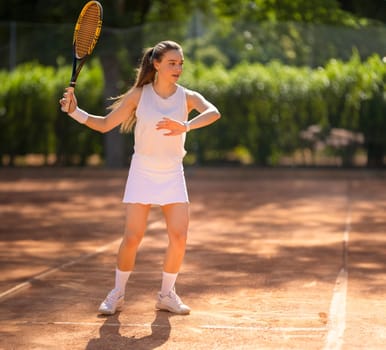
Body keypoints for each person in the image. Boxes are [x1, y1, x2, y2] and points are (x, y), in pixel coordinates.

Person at [59, 40, 221, 315]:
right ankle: (117, 293)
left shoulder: (187, 96)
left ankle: (167, 294)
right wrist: (74, 112)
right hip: (142, 171)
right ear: (156, 64)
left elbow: (213, 112)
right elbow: (105, 124)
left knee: (179, 237)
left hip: (172, 172)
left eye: (180, 63)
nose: (178, 68)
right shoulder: (138, 95)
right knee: (132, 237)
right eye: (172, 63)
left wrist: (186, 124)